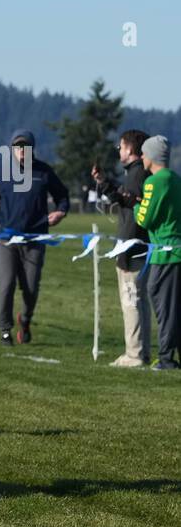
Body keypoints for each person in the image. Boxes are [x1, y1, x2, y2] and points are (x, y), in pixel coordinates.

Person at [0, 129, 69, 345]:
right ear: (12, 149)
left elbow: (63, 197)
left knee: (30, 287)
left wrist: (60, 212)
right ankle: (5, 329)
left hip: (35, 239)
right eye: (18, 147)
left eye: (26, 147)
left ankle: (26, 319)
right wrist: (0, 221)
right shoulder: (1, 172)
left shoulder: (44, 172)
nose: (22, 151)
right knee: (6, 285)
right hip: (6, 239)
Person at [93, 129, 152, 367]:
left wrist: (124, 252)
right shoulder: (135, 174)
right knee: (139, 302)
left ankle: (134, 354)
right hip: (137, 247)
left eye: (121, 147)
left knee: (131, 301)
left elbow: (131, 203)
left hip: (132, 248)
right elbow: (124, 198)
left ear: (130, 149)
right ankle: (141, 351)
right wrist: (104, 184)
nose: (119, 151)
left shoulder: (136, 175)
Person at [136, 135, 181, 369]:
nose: (141, 157)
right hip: (175, 251)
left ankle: (165, 357)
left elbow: (144, 219)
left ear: (152, 156)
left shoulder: (154, 182)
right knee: (172, 304)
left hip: (165, 253)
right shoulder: (175, 179)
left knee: (164, 304)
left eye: (143, 153)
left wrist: (136, 206)